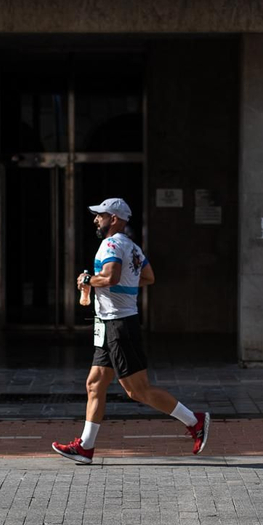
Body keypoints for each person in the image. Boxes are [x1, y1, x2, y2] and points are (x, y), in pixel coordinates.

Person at [51, 197, 211, 464]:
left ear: (114, 219)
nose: (96, 219)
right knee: (94, 384)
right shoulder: (133, 247)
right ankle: (85, 447)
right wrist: (123, 286)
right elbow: (148, 277)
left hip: (119, 325)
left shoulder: (111, 243)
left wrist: (89, 280)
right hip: (109, 323)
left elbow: (111, 277)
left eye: (100, 215)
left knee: (138, 391)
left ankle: (195, 421)